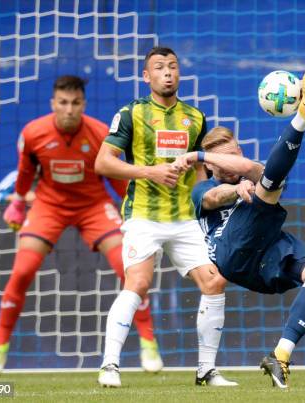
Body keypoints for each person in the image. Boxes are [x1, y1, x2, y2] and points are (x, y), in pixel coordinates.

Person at [0, 75, 163, 376]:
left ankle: (148, 342)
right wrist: (16, 203)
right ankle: (0, 347)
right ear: (53, 103)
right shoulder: (33, 133)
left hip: (93, 206)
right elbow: (26, 174)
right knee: (22, 270)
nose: (69, 109)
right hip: (49, 205)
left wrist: (136, 214)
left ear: (84, 104)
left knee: (127, 267)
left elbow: (118, 182)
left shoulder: (100, 134)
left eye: (75, 103)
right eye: (63, 103)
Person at [174, 62, 305, 389]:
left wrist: (208, 159)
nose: (227, 167)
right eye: (217, 162)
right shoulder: (202, 189)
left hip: (266, 256)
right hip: (232, 252)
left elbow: (253, 169)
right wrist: (232, 187)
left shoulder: (252, 170)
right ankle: (303, 115)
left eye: (230, 156)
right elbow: (215, 196)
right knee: (268, 189)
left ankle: (281, 355)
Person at [94, 46, 236, 388]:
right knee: (139, 284)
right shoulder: (131, 113)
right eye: (159, 67)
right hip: (144, 216)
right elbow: (103, 163)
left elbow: (200, 172)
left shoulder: (195, 118)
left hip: (184, 219)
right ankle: (109, 365)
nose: (167, 72)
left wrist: (210, 201)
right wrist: (151, 172)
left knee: (215, 282)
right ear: (147, 76)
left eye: (172, 66)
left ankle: (206, 370)